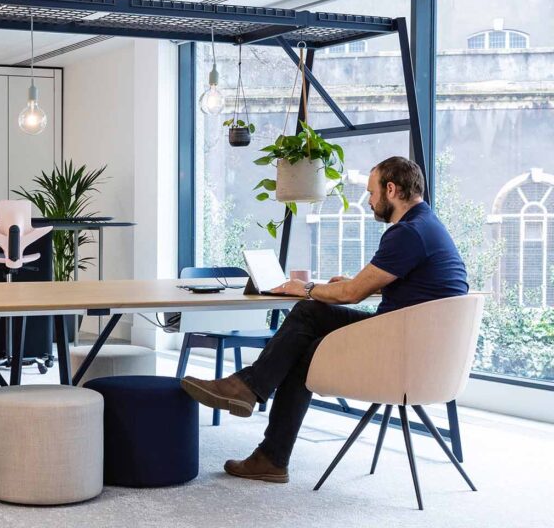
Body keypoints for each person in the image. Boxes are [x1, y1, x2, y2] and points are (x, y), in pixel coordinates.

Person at [181, 156, 468, 483]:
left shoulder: (408, 233)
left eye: (372, 193)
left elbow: (352, 295)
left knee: (308, 308)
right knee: (306, 347)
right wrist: (347, 283)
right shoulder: (427, 225)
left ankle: (249, 389)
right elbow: (383, 287)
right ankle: (270, 454)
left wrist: (305, 287)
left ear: (392, 189)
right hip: (425, 353)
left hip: (400, 354)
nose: (370, 201)